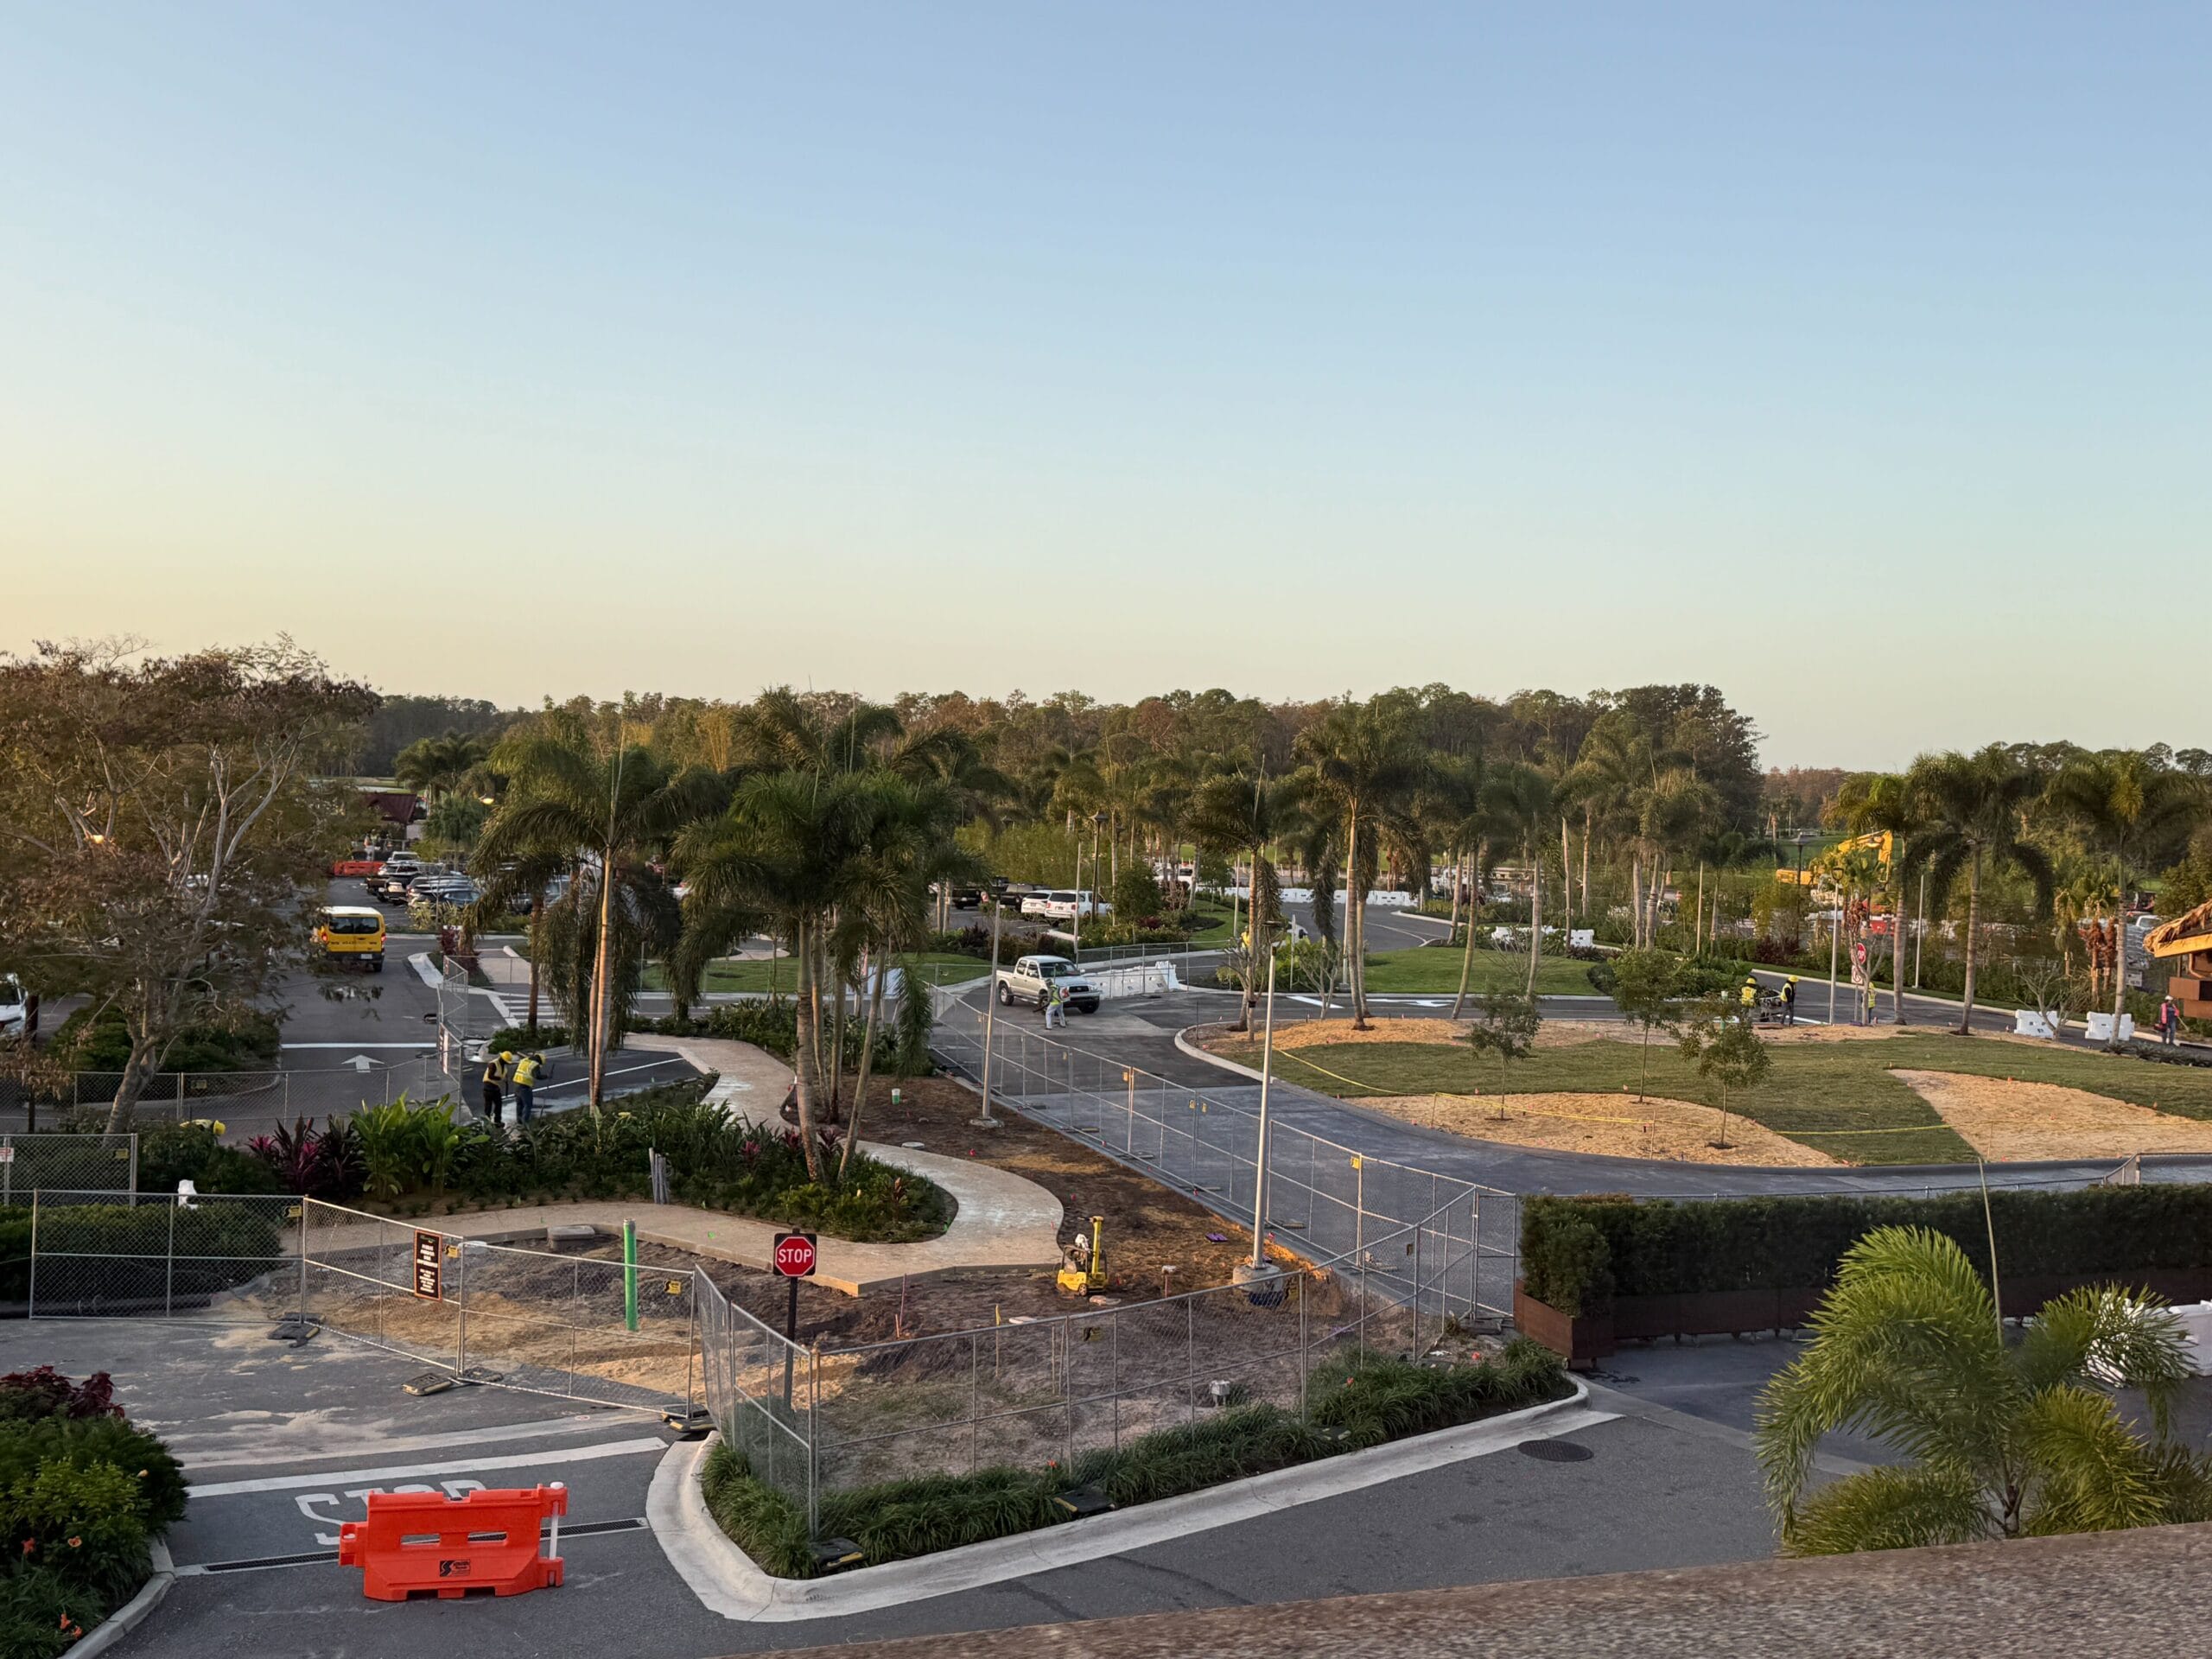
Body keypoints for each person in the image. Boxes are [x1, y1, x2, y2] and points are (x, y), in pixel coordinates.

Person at [480, 1049, 512, 1126]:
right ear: (503, 1059)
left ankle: (497, 1121)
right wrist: (501, 1079)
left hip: (496, 1088)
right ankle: (487, 1123)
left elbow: (503, 1075)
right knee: (488, 1106)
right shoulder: (493, 1064)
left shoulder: (504, 1067)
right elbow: (490, 1076)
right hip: (488, 1087)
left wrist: (505, 1079)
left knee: (498, 1104)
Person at [512, 1051, 541, 1124]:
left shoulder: (524, 1061)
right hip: (524, 1087)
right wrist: (547, 1076)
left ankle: (519, 1121)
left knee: (519, 1104)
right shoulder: (535, 1064)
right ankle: (525, 1122)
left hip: (516, 1084)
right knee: (528, 1104)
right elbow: (537, 1076)